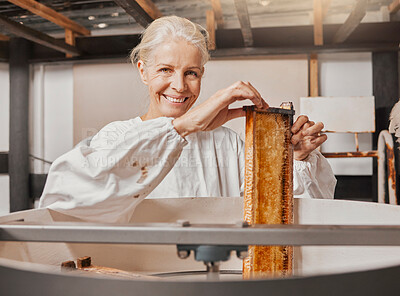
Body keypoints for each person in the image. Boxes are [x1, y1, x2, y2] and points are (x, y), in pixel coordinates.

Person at [39, 16, 336, 223]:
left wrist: (293, 160)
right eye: (165, 70)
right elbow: (65, 202)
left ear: (202, 75)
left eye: (191, 73)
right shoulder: (116, 138)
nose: (179, 86)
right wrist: (183, 127)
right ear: (143, 71)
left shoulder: (228, 144)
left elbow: (279, 214)